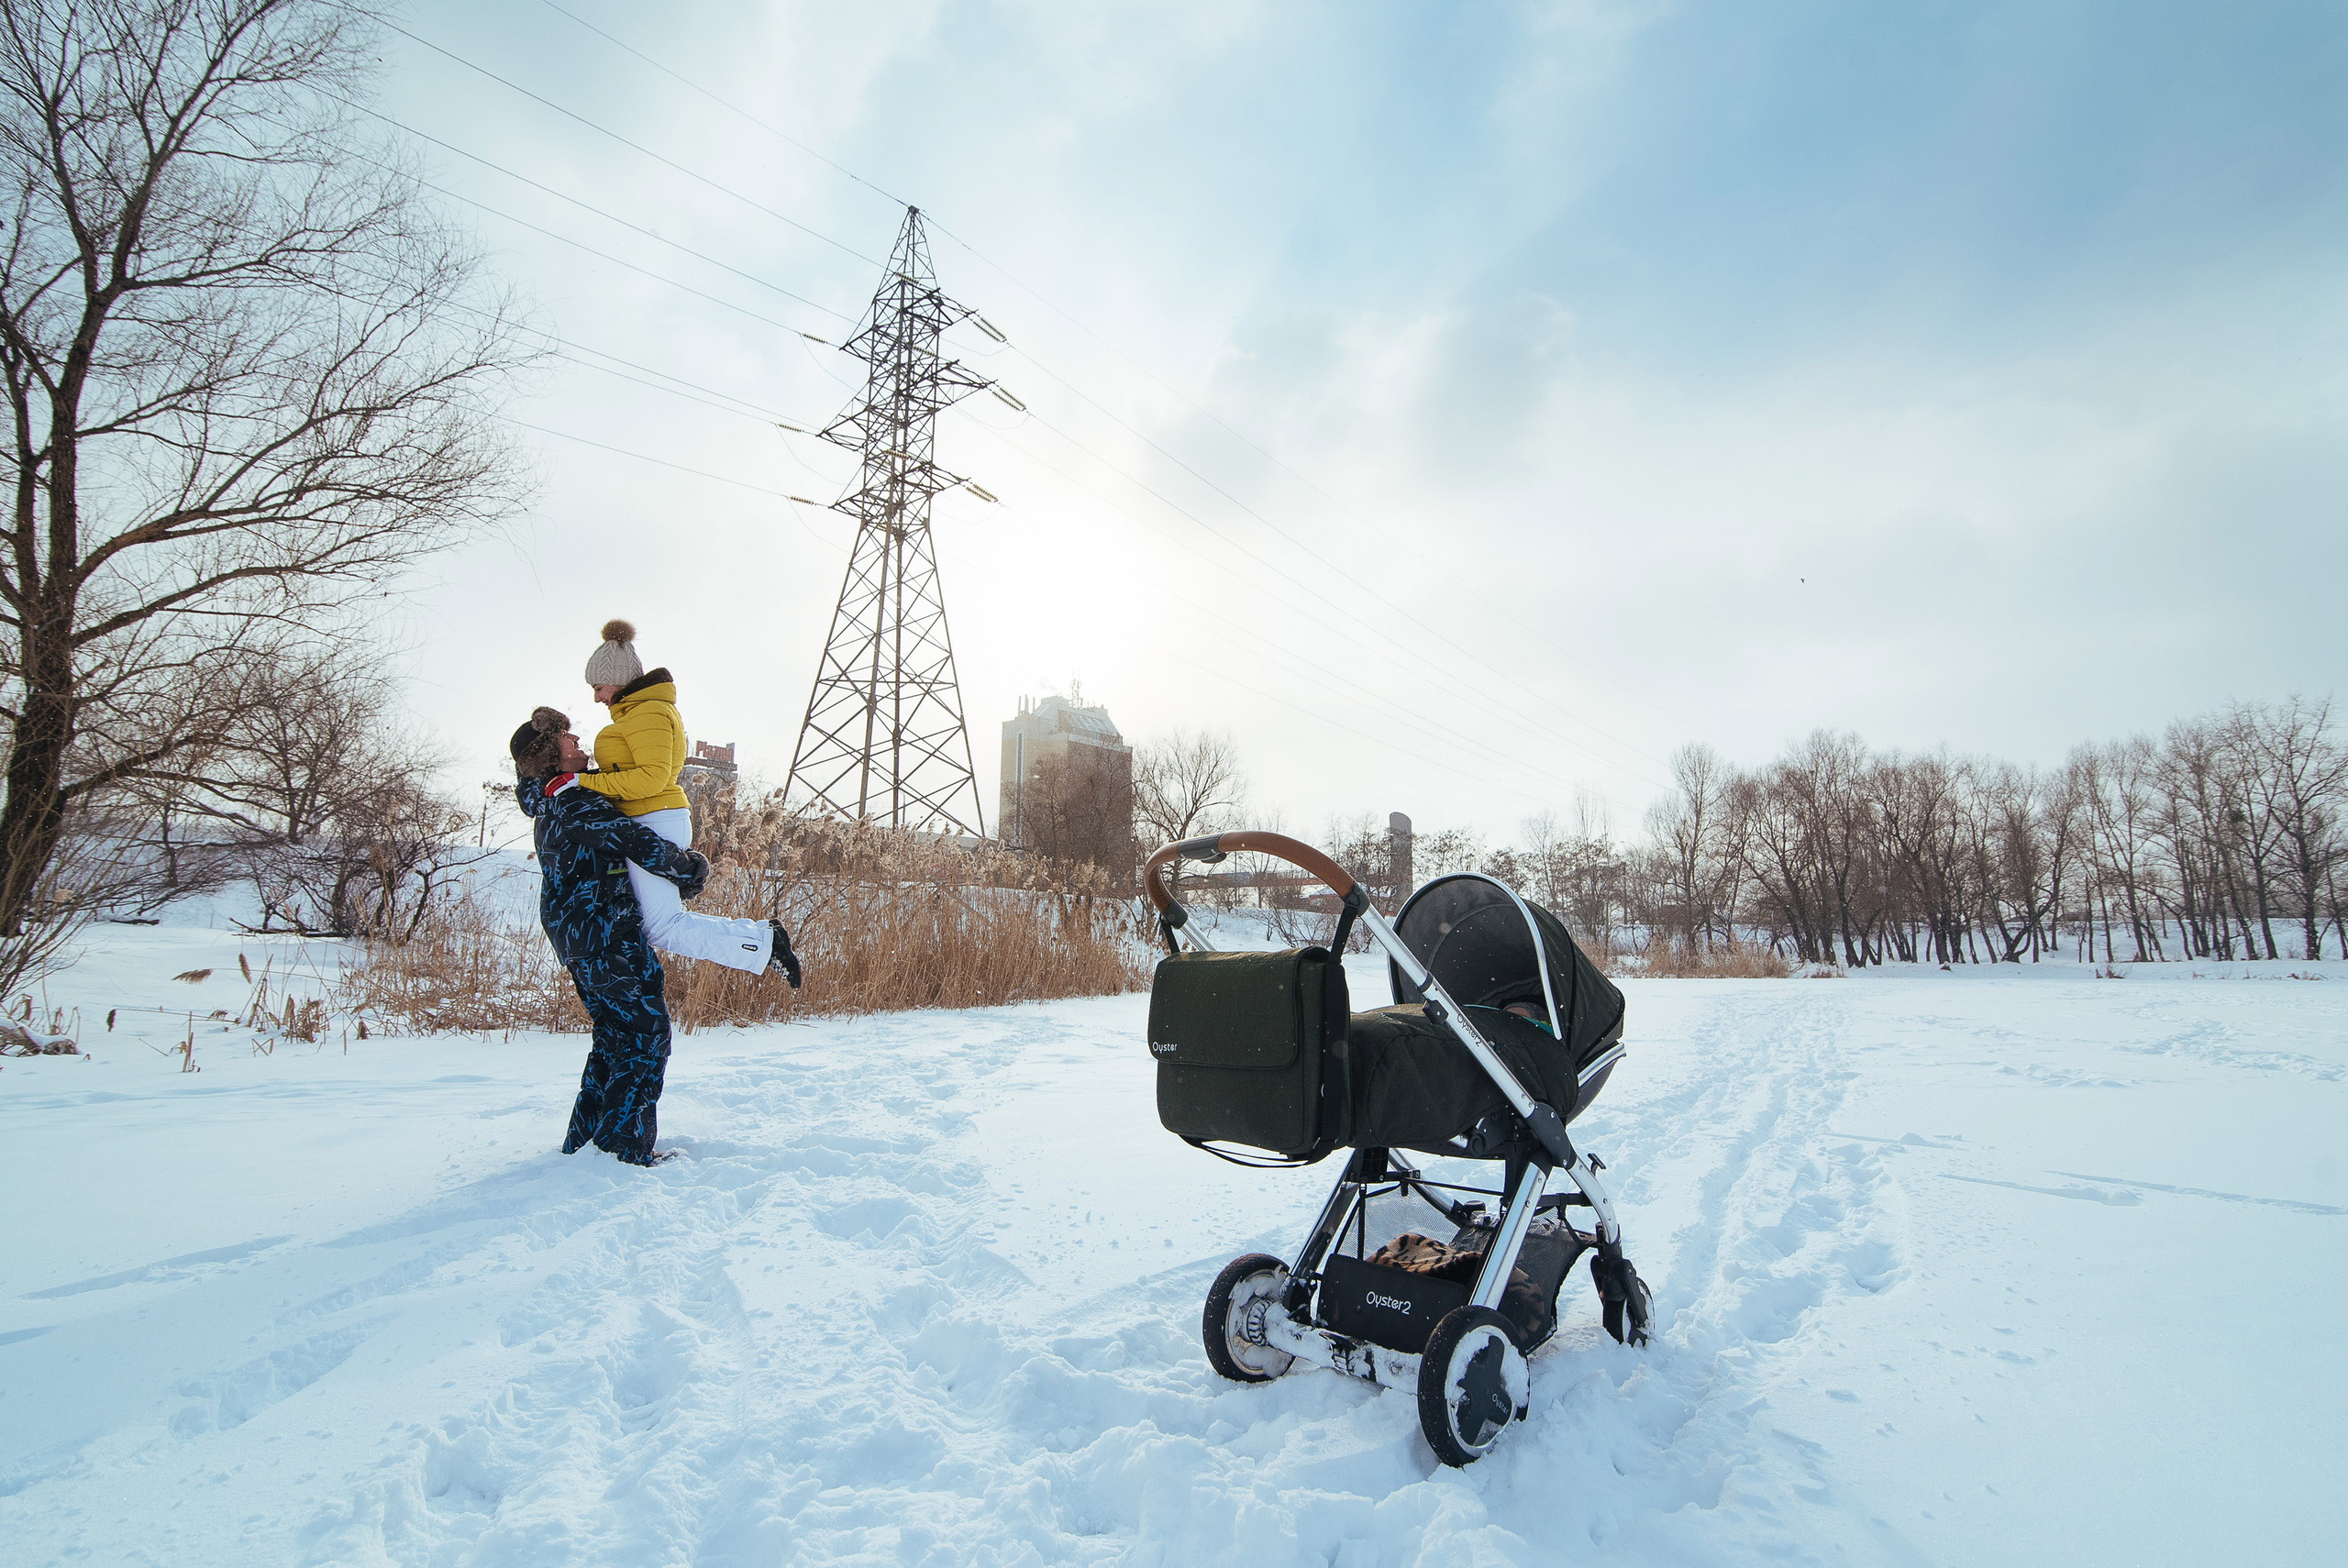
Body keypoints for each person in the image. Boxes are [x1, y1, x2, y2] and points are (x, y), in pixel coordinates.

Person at [511, 706, 710, 1167]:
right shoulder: (573, 801)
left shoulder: (548, 796)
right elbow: (631, 839)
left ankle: (585, 1142)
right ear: (549, 754)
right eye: (565, 736)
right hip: (604, 932)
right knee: (646, 1035)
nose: (576, 738)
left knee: (613, 1037)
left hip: (577, 938)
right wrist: (689, 869)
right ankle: (623, 1147)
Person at [576, 619, 800, 986]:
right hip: (648, 817)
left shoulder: (648, 713)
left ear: (615, 679)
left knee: (663, 926)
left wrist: (582, 781)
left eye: (598, 687)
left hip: (656, 817)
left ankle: (763, 944)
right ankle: (762, 940)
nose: (597, 697)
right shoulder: (637, 713)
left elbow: (651, 777)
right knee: (661, 924)